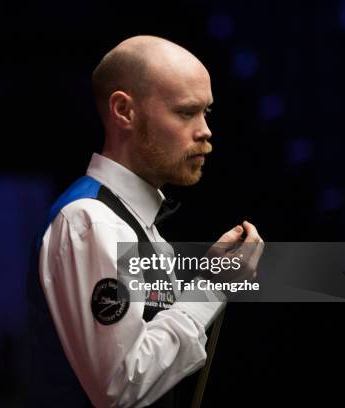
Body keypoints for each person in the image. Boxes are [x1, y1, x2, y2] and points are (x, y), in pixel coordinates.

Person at [28, 35, 264, 408]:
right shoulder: (91, 222)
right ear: (124, 111)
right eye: (186, 112)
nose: (205, 131)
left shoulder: (131, 221)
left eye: (207, 112)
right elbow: (120, 388)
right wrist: (211, 287)